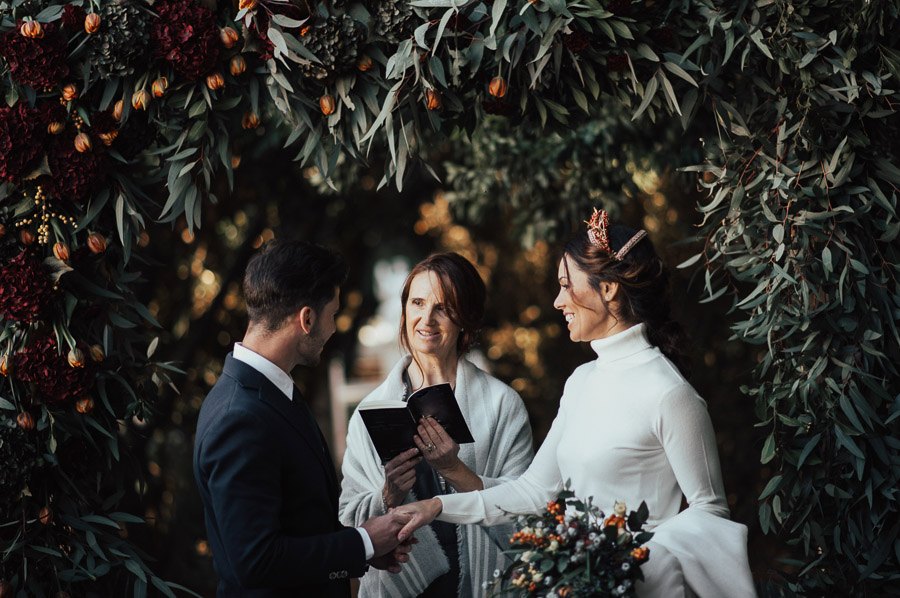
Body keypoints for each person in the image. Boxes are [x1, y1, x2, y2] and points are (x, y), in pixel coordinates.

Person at [393, 212, 755, 598]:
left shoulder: (669, 393)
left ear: (610, 289)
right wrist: (435, 506)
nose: (557, 300)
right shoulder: (581, 381)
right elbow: (534, 492)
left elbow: (709, 509)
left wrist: (636, 562)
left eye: (566, 286)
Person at [193, 239, 414, 598]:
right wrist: (363, 542)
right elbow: (255, 560)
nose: (334, 329)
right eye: (333, 315)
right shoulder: (240, 417)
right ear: (307, 319)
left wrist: (363, 552)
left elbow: (301, 526)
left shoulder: (269, 393)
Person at [339, 252, 534, 597]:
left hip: (485, 585)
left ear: (466, 319)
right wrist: (388, 494)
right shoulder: (369, 411)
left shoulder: (503, 405)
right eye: (417, 303)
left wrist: (455, 470)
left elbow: (525, 519)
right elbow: (349, 521)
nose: (426, 319)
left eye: (443, 307)